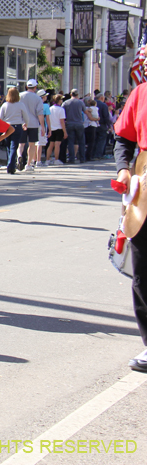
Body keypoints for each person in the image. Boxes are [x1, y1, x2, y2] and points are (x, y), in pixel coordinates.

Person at [111, 85, 147, 373]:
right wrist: (123, 167)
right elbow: (123, 137)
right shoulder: (141, 93)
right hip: (144, 187)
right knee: (143, 269)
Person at [0, 87, 30, 174]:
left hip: (7, 126)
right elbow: (26, 117)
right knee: (14, 146)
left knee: (8, 146)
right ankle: (11, 166)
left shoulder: (5, 105)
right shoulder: (20, 105)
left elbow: (0, 118)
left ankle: (10, 163)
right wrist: (26, 123)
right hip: (17, 126)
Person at [18, 79, 45, 172]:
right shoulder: (38, 98)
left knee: (21, 144)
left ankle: (19, 156)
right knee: (32, 144)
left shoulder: (20, 96)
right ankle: (28, 164)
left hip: (22, 122)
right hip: (33, 123)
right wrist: (42, 127)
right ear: (35, 87)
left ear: (26, 87)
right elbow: (40, 113)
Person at [62, 90, 87, 164]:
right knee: (81, 142)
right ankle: (82, 158)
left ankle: (71, 158)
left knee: (70, 142)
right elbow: (85, 111)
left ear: (70, 94)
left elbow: (62, 112)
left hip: (69, 123)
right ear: (77, 94)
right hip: (79, 123)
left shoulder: (66, 103)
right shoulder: (80, 102)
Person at [45, 94, 67, 165]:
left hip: (51, 128)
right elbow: (62, 122)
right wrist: (65, 132)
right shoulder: (61, 110)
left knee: (51, 145)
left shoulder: (50, 108)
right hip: (59, 128)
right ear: (59, 100)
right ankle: (56, 159)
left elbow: (48, 119)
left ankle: (47, 160)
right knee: (57, 145)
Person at [95, 93, 112, 159]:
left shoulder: (92, 103)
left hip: (93, 124)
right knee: (101, 140)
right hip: (102, 125)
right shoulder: (103, 105)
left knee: (94, 140)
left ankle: (93, 154)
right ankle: (98, 154)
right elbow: (106, 116)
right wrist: (109, 126)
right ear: (102, 98)